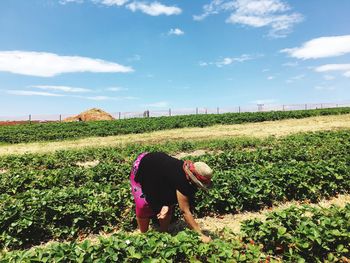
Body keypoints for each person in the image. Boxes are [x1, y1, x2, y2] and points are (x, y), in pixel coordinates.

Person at [130, 152, 213, 243]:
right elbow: (185, 211)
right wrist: (200, 234)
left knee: (167, 206)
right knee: (143, 204)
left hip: (159, 174)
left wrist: (166, 205)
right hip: (143, 165)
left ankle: (164, 234)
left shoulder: (186, 178)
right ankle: (143, 236)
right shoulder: (182, 181)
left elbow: (175, 196)